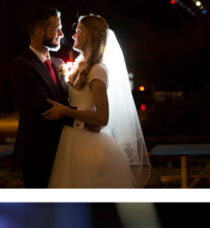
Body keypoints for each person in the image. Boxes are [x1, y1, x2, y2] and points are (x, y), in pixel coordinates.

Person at [44, 15, 150, 188]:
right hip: (72, 138)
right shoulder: (81, 63)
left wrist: (65, 110)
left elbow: (102, 117)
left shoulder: (97, 69)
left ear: (92, 36)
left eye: (78, 31)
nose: (73, 35)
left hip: (86, 143)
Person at [10, 6, 73, 188]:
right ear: (39, 32)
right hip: (37, 151)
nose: (61, 34)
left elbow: (64, 102)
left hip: (64, 147)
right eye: (56, 29)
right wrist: (85, 117)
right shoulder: (21, 65)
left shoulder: (58, 63)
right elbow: (43, 107)